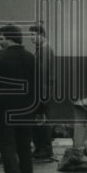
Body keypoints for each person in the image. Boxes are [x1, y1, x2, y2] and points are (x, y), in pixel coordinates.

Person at [0, 24, 37, 173]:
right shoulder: (31, 58)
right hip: (27, 110)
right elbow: (38, 87)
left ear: (7, 38)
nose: (0, 42)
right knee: (25, 147)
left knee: (7, 146)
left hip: (5, 110)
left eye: (1, 38)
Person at [30, 23, 57, 160]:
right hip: (43, 90)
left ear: (41, 35)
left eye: (34, 35)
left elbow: (43, 74)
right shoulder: (43, 49)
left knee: (43, 120)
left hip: (42, 91)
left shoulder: (45, 50)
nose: (31, 38)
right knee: (41, 120)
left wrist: (41, 95)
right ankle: (41, 147)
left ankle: (45, 149)